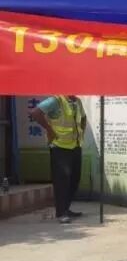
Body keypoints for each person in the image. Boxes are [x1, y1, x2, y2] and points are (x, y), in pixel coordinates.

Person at [30, 95, 86, 224]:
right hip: (59, 146)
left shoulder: (77, 102)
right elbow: (35, 113)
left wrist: (82, 133)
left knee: (75, 179)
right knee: (62, 180)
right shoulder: (55, 101)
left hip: (75, 145)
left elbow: (83, 118)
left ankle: (66, 208)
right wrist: (49, 130)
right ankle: (61, 213)